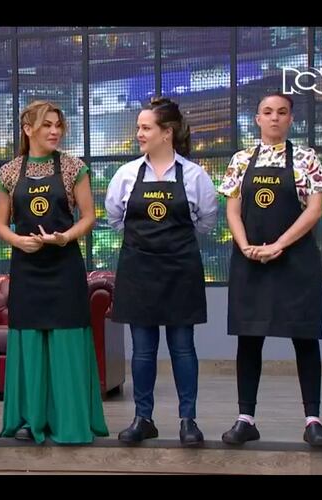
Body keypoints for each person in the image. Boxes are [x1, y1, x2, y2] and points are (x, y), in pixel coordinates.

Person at [218, 91, 322, 447]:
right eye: (267, 112)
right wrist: (245, 246)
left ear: (291, 119)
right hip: (250, 262)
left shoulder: (307, 158)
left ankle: (313, 421)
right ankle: (245, 419)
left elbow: (314, 210)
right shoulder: (240, 160)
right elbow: (233, 210)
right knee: (249, 338)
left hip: (296, 263)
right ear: (257, 119)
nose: (274, 118)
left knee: (305, 337)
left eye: (282, 112)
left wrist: (279, 244)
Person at [0, 100, 109, 444]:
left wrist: (65, 237)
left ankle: (69, 419)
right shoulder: (8, 173)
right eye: (47, 125)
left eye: (58, 125)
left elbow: (89, 217)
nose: (55, 131)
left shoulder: (75, 168)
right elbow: (1, 225)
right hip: (27, 269)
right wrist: (18, 240)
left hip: (65, 267)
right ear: (28, 129)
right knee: (30, 341)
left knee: (67, 342)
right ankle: (30, 419)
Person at [105, 97, 218, 446]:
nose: (139, 134)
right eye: (139, 128)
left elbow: (206, 222)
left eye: (145, 128)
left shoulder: (195, 176)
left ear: (167, 133)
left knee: (183, 348)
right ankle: (143, 419)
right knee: (142, 351)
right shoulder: (126, 175)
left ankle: (188, 421)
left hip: (180, 272)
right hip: (138, 272)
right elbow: (115, 219)